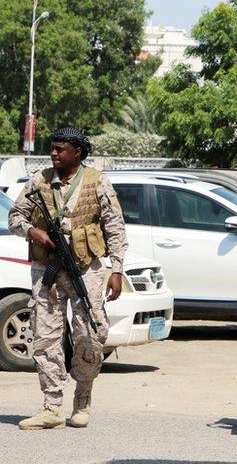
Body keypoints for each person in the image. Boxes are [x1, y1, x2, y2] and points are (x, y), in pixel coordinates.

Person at [8, 127, 127, 430]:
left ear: (78, 152)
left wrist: (117, 269)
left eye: (60, 149)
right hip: (47, 270)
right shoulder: (39, 180)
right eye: (52, 148)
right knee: (45, 337)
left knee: (89, 333)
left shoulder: (97, 181)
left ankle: (83, 398)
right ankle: (51, 406)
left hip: (86, 269)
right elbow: (15, 218)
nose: (53, 154)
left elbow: (115, 227)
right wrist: (32, 231)